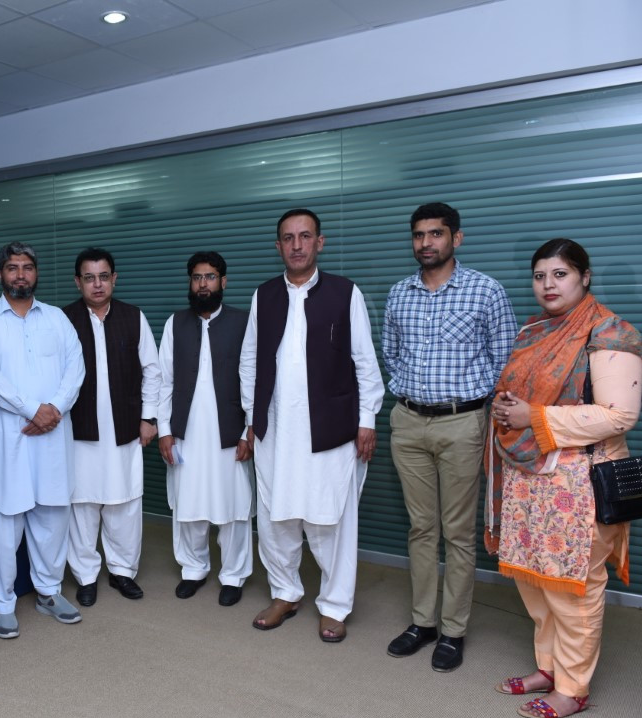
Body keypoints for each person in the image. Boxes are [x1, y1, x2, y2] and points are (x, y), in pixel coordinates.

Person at [487, 238, 642, 718]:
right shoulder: (535, 329)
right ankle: (550, 667)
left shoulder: (610, 332)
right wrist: (506, 408)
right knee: (537, 584)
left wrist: (533, 416)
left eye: (560, 274)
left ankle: (573, 688)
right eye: (540, 276)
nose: (548, 284)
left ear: (584, 277)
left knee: (572, 588)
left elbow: (620, 415)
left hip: (580, 481)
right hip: (529, 475)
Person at [382, 202, 517, 672]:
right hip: (408, 422)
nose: (426, 243)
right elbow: (391, 354)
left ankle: (453, 630)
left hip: (462, 423)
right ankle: (423, 623)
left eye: (435, 234)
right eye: (419, 235)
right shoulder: (399, 293)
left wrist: (475, 404)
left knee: (458, 532)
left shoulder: (486, 291)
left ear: (456, 238)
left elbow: (505, 361)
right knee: (421, 528)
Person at [240, 208, 383, 643]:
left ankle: (335, 605)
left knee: (330, 518)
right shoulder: (264, 295)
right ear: (278, 246)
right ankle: (285, 593)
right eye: (288, 238)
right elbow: (249, 361)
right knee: (276, 516)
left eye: (305, 236)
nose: (297, 245)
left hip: (331, 427)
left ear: (320, 242)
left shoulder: (345, 292)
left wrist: (367, 420)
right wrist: (251, 417)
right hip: (275, 429)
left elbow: (364, 361)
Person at [0, 241, 86, 639]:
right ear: (0, 274)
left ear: (36, 273)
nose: (20, 275)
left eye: (27, 267)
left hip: (52, 434)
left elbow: (75, 368)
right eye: (13, 268)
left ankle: (49, 592)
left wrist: (54, 408)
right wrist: (33, 409)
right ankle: (2, 604)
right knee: (3, 524)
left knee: (52, 517)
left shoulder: (56, 318)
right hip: (5, 436)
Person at [63, 247, 161, 605]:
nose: (97, 284)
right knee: (82, 505)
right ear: (78, 282)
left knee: (124, 503)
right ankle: (86, 576)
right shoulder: (63, 320)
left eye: (103, 277)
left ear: (114, 279)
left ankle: (122, 571)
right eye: (89, 278)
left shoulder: (133, 317)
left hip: (125, 427)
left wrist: (149, 417)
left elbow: (152, 371)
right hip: (78, 430)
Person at [158, 251, 254, 606]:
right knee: (189, 503)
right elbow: (163, 381)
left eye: (210, 277)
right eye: (197, 277)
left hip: (230, 430)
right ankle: (193, 569)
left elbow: (254, 380)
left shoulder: (244, 322)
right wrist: (164, 430)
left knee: (233, 506)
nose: (203, 284)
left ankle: (233, 575)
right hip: (186, 431)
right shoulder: (175, 323)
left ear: (223, 281)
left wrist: (249, 431)